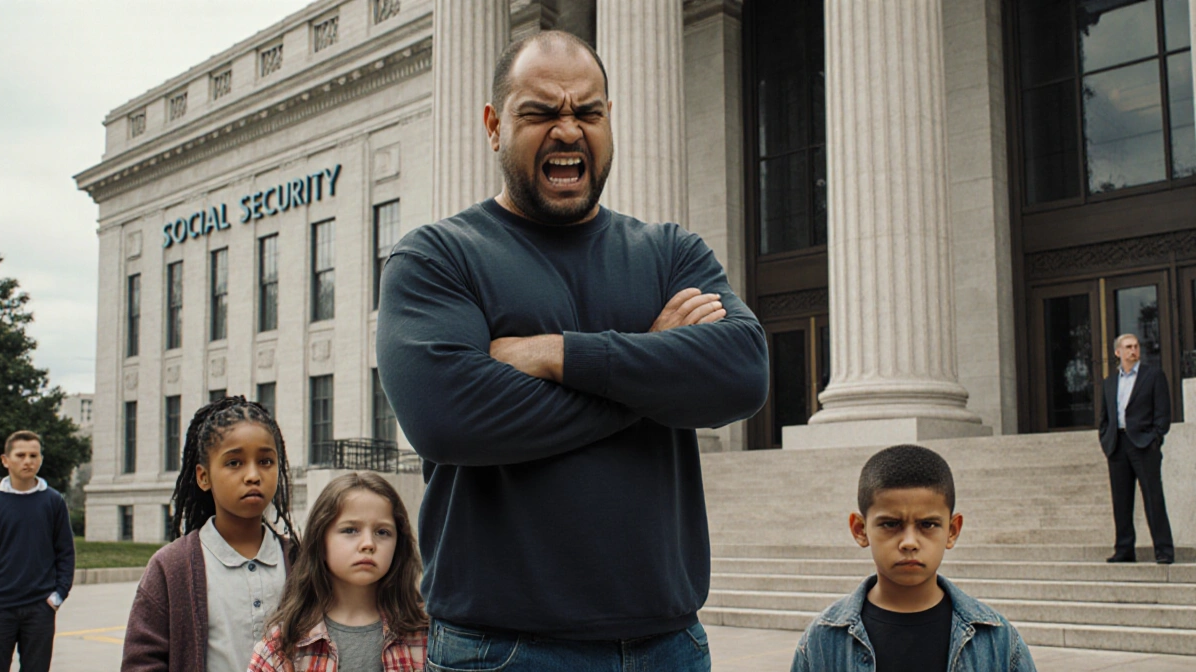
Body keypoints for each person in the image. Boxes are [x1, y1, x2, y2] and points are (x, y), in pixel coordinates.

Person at [377, 30, 769, 671]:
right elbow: (449, 419)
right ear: (494, 124)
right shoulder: (436, 258)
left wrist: (558, 355)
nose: (568, 130)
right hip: (501, 651)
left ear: (609, 120)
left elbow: (743, 374)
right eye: (540, 113)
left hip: (668, 647)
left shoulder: (673, 253)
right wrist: (654, 370)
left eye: (587, 112)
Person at [790, 444, 1036, 672]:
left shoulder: (998, 641)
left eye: (927, 524)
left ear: (952, 531)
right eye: (890, 524)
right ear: (860, 530)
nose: (909, 542)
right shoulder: (822, 640)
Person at [121, 397, 300, 672]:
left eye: (265, 461)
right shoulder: (171, 567)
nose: (253, 475)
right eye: (234, 463)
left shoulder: (301, 561)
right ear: (204, 477)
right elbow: (141, 663)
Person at [248, 472, 427, 672]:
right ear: (321, 542)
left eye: (382, 532)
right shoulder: (283, 645)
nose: (368, 544)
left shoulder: (425, 634)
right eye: (350, 530)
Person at [0, 430, 75, 672]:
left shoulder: (53, 501)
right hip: (0, 607)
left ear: (41, 459)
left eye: (34, 455)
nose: (28, 461)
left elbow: (65, 552)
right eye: (20, 455)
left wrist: (57, 595)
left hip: (40, 608)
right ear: (5, 460)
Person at [1098, 333, 1174, 564]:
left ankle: (1163, 550)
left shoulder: (1153, 376)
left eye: (1136, 346)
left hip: (1143, 445)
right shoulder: (1110, 383)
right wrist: (1105, 439)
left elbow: (1163, 413)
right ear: (1117, 352)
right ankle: (1124, 550)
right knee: (1121, 501)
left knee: (1153, 498)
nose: (1133, 350)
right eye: (1128, 347)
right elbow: (1104, 417)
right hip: (1117, 446)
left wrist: (1155, 439)